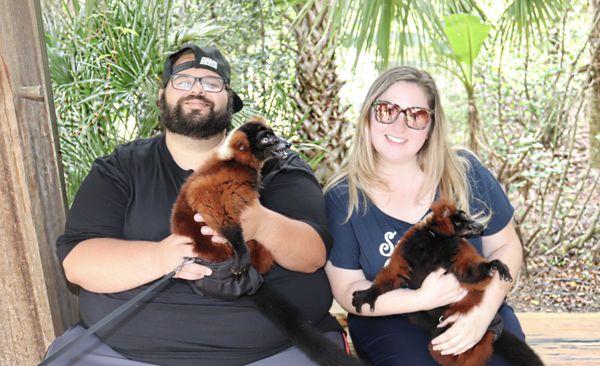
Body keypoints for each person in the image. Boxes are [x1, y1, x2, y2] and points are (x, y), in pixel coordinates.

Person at [46, 44, 343, 366]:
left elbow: (313, 255)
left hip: (273, 352)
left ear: (230, 100)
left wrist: (261, 223)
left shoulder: (275, 166)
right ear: (162, 96)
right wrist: (161, 257)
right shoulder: (121, 168)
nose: (198, 88)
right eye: (184, 80)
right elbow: (78, 262)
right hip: (122, 354)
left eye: (212, 82)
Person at [324, 66, 526, 366]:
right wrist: (421, 299)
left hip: (473, 303)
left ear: (431, 126)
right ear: (367, 117)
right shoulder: (344, 197)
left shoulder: (465, 173)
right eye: (386, 110)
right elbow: (347, 289)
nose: (399, 125)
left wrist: (482, 313)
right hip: (389, 318)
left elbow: (506, 247)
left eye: (415, 115)